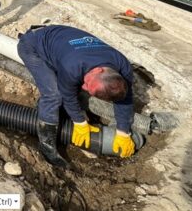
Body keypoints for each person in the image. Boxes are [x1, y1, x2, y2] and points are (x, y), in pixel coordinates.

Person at [16, 25, 136, 168]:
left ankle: (54, 114)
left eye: (88, 85)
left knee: (73, 86)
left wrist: (123, 132)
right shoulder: (72, 65)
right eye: (87, 83)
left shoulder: (123, 66)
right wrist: (80, 123)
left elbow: (125, 99)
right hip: (32, 45)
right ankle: (46, 146)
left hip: (63, 44)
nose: (84, 87)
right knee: (54, 95)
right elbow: (68, 95)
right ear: (98, 70)